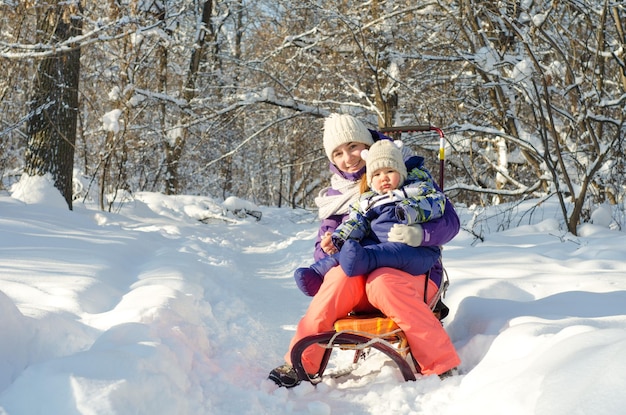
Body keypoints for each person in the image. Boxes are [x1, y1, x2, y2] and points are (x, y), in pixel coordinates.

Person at [269, 113, 461, 388]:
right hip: (358, 274)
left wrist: (420, 234)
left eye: (353, 146)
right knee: (336, 280)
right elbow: (324, 251)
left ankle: (440, 363)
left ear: (368, 143)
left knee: (383, 283)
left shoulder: (406, 175)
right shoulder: (336, 201)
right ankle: (300, 363)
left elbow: (449, 221)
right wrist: (333, 247)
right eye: (338, 153)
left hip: (409, 271)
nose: (348, 158)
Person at [294, 139, 446, 297]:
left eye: (390, 171)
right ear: (371, 180)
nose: (384, 178)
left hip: (411, 249)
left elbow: (436, 202)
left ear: (402, 172)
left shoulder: (416, 189)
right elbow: (356, 221)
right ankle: (317, 274)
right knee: (350, 253)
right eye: (377, 174)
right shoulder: (369, 199)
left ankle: (364, 260)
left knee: (375, 253)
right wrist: (340, 238)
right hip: (376, 247)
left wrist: (408, 211)